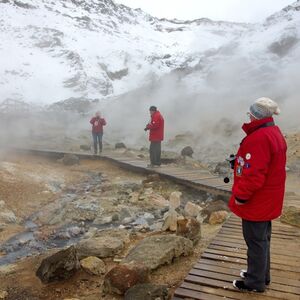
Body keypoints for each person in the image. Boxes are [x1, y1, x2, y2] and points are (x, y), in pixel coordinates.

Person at [228, 97, 287, 293]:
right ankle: (261, 274)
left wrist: (241, 196)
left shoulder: (259, 137)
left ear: (256, 115)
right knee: (262, 239)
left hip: (257, 200)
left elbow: (254, 176)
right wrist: (237, 163)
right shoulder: (273, 131)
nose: (249, 117)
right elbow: (262, 164)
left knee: (255, 241)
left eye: (250, 114)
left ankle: (254, 283)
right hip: (269, 197)